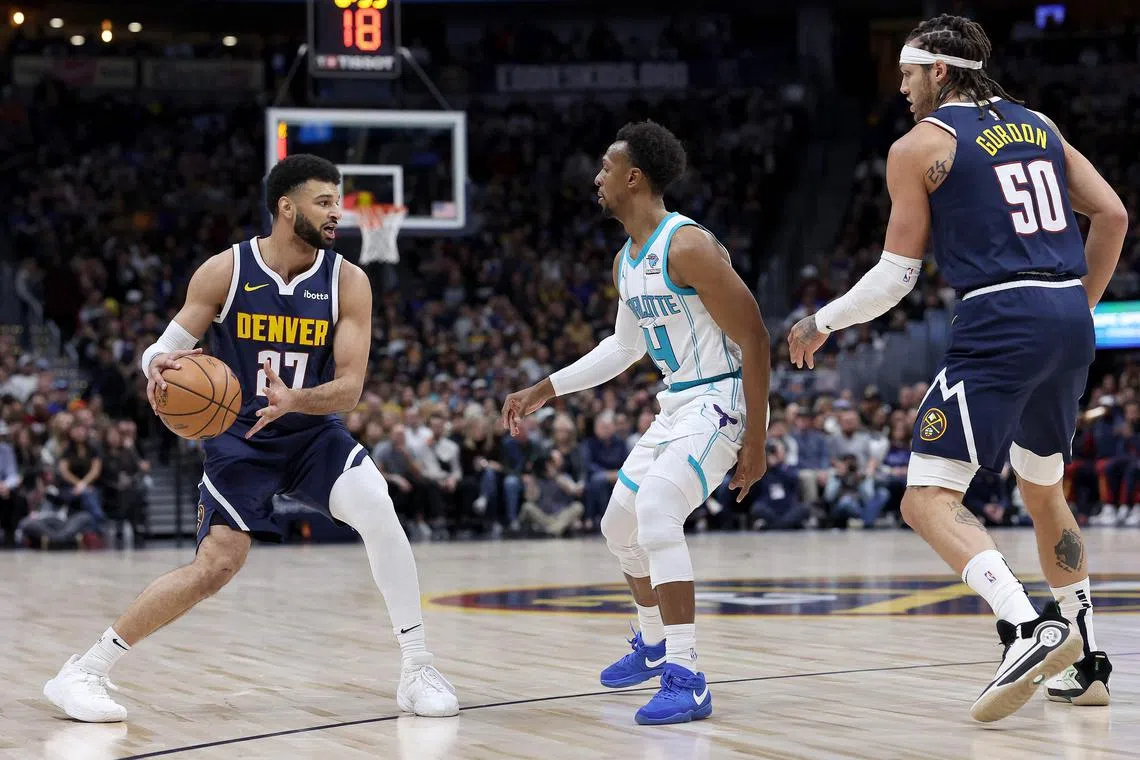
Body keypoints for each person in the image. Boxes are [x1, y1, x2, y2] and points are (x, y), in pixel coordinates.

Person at [787, 15, 1126, 722]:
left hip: (1000, 319)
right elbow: (1113, 216)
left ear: (938, 71)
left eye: (908, 73)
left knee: (925, 498)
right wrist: (1075, 310)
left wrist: (823, 321)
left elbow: (896, 277)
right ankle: (1087, 662)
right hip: (1067, 315)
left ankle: (1026, 627)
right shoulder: (1039, 125)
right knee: (1044, 491)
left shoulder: (919, 146)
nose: (902, 87)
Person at [44, 154, 458, 722]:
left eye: (338, 202)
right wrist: (155, 366)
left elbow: (351, 388)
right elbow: (161, 350)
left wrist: (296, 400)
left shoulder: (348, 281)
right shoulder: (227, 270)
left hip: (312, 435)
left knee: (378, 508)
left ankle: (417, 669)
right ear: (286, 207)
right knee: (216, 566)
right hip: (238, 439)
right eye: (324, 202)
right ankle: (84, 671)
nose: (336, 213)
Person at [501, 121, 770, 725]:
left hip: (721, 398)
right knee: (616, 525)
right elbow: (625, 348)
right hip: (677, 404)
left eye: (606, 167)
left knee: (655, 511)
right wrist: (546, 388)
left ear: (634, 177)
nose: (597, 178)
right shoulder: (626, 261)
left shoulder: (688, 245)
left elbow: (755, 336)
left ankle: (687, 675)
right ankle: (652, 643)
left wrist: (756, 439)